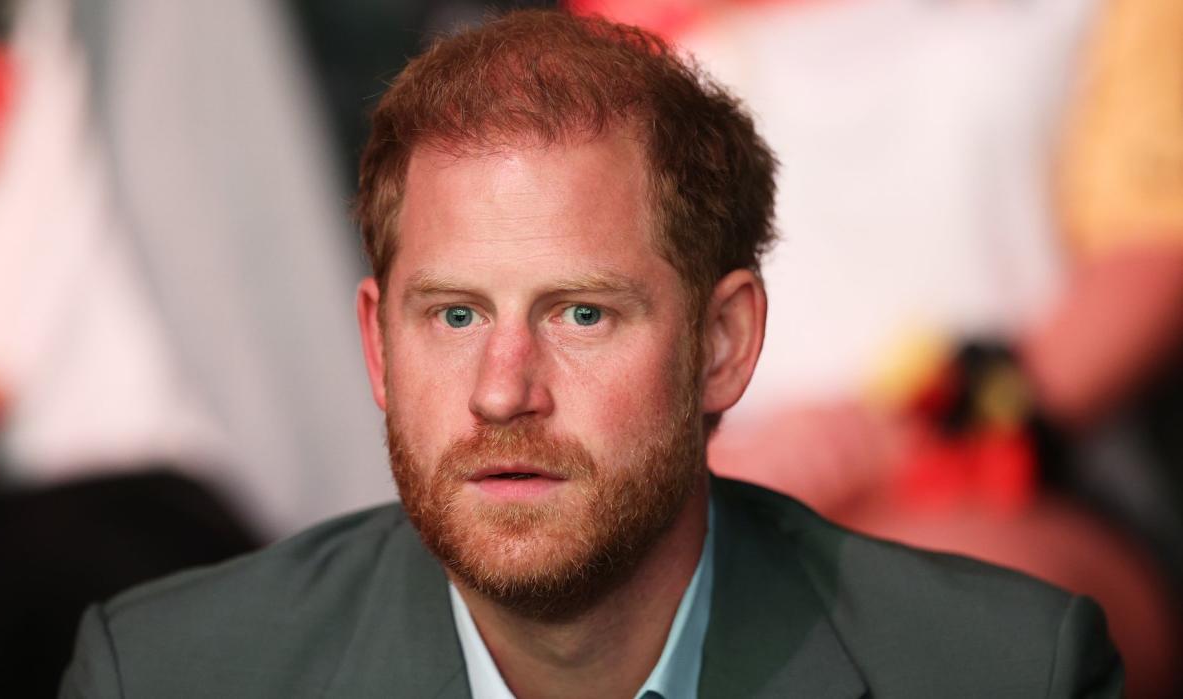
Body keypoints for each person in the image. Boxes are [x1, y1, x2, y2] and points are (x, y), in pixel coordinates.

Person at [60, 9, 1122, 698]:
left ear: (724, 345)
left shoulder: (1006, 672)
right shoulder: (162, 678)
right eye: (455, 316)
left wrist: (903, 442)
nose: (502, 392)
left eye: (580, 314)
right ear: (376, 351)